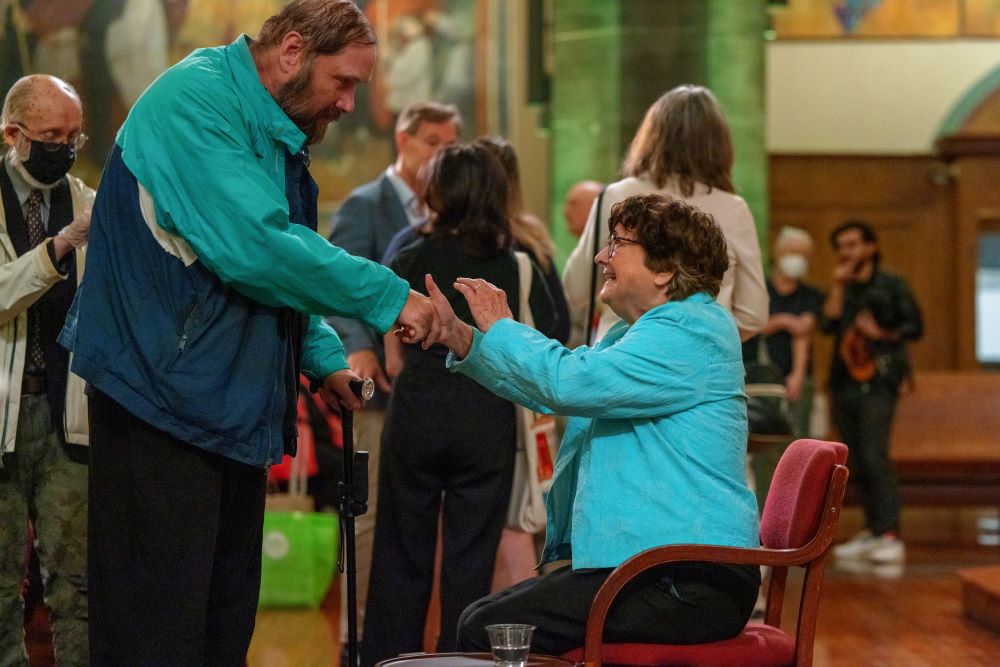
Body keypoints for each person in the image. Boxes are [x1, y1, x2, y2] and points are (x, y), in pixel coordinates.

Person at [57, 2, 439, 664]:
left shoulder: (273, 126)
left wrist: (323, 358)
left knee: (221, 628)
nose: (350, 104)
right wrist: (388, 296)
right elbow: (256, 249)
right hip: (159, 407)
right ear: (292, 51)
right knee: (157, 635)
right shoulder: (196, 102)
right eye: (343, 82)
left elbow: (271, 271)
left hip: (222, 410)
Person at [426, 192, 760, 654]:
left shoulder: (691, 329)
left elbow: (569, 383)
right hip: (653, 569)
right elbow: (556, 387)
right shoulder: (638, 332)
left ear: (663, 269)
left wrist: (503, 328)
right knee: (478, 620)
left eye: (618, 243)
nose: (602, 255)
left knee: (487, 627)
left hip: (689, 578)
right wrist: (463, 339)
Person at [362, 143, 558, 665]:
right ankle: (462, 660)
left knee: (400, 556)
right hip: (486, 421)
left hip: (417, 419)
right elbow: (551, 340)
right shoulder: (517, 265)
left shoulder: (408, 257)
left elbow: (394, 354)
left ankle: (390, 660)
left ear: (437, 193)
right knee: (471, 563)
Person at [327, 99, 460, 647]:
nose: (442, 154)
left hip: (436, 393)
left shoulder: (453, 209)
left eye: (451, 145)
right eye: (433, 142)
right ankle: (355, 637)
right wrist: (356, 347)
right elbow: (335, 287)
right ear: (403, 141)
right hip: (380, 387)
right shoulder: (366, 205)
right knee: (371, 516)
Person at [0, 73, 92, 667]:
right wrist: (57, 249)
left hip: (69, 418)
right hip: (4, 417)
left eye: (74, 136)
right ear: (13, 135)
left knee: (77, 587)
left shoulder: (86, 200)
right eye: (52, 134)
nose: (64, 146)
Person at [562, 84, 768, 348]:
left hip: (621, 356)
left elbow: (578, 288)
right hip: (697, 367)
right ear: (719, 146)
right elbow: (753, 314)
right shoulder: (734, 209)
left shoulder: (617, 195)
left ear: (651, 137)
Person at [824, 219, 922, 565]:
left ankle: (891, 534)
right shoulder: (844, 288)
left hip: (880, 381)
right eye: (841, 247)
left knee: (875, 455)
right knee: (857, 460)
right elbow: (828, 323)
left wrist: (880, 332)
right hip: (844, 382)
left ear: (871, 247)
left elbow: (915, 326)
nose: (847, 253)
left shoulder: (892, 285)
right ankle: (872, 530)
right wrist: (837, 285)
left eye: (853, 245)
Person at [742, 225, 823, 505]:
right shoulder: (760, 289)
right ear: (778, 253)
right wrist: (784, 322)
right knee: (764, 448)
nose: (797, 259)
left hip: (794, 379)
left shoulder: (809, 294)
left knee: (796, 447)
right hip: (761, 381)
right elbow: (750, 325)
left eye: (804, 254)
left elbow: (804, 331)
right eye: (793, 252)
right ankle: (763, 512)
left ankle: (791, 512)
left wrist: (797, 376)